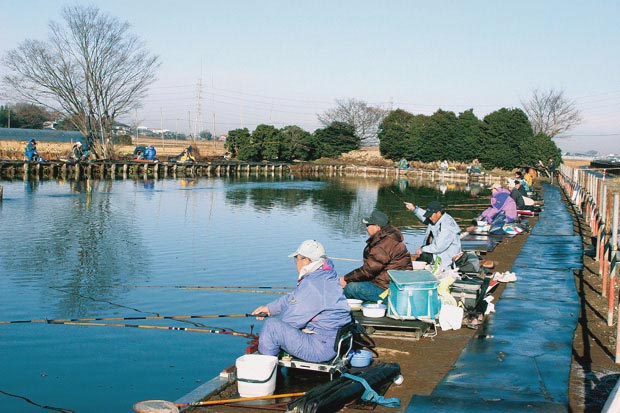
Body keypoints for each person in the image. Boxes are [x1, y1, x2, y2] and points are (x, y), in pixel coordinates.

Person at [251, 240, 351, 363]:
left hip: (320, 347)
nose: (295, 263)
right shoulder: (326, 275)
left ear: (307, 260)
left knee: (271, 327)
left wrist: (271, 334)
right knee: (276, 326)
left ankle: (264, 370)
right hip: (333, 340)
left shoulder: (312, 285)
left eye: (297, 259)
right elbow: (294, 298)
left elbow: (290, 321)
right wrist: (269, 309)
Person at [339, 210, 412, 302]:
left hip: (389, 289)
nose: (367, 228)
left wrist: (346, 278)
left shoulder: (383, 245)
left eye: (368, 225)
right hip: (394, 285)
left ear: (377, 227)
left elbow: (369, 270)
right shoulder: (390, 238)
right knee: (355, 282)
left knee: (350, 288)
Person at [404, 200, 462, 271]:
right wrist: (414, 209)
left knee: (422, 256)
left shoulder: (447, 226)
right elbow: (425, 217)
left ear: (438, 213)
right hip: (438, 254)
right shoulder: (438, 218)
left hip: (446, 259)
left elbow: (438, 247)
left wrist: (422, 249)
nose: (429, 218)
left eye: (430, 215)